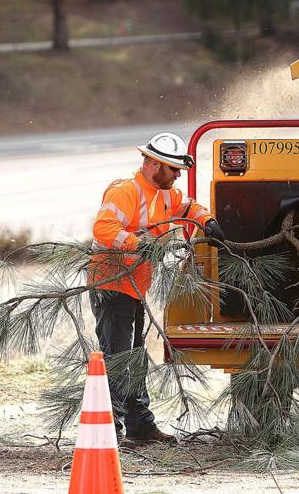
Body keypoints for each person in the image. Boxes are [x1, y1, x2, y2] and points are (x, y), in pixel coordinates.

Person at [88, 132, 225, 443]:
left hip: (134, 286)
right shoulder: (127, 191)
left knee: (133, 356)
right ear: (154, 165)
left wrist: (209, 222)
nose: (177, 176)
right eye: (174, 169)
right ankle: (110, 432)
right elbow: (103, 228)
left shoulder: (165, 194)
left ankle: (140, 428)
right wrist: (140, 245)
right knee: (118, 357)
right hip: (111, 285)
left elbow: (189, 207)